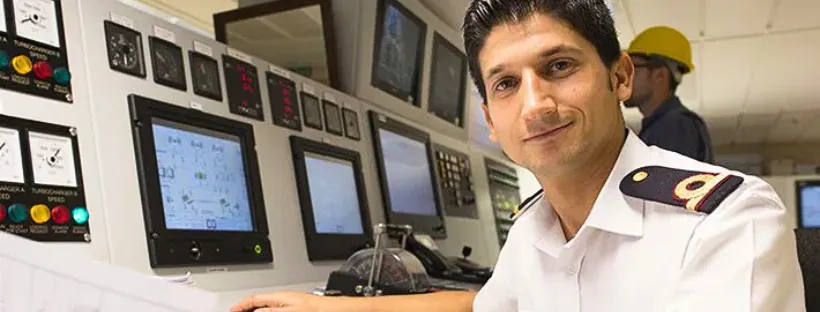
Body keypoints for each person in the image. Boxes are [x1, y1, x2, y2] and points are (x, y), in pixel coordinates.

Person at [230, 0, 805, 311]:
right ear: (490, 118)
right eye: (505, 84)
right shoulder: (535, 228)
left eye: (559, 67)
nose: (536, 105)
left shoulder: (726, 220)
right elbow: (483, 311)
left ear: (620, 75)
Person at [623, 26, 714, 163]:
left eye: (633, 68)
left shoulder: (673, 125)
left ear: (659, 75)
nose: (625, 77)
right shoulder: (664, 125)